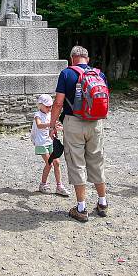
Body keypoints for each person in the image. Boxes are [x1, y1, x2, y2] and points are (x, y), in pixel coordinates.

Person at [48, 45, 108, 222]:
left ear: (72, 58)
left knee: (77, 163)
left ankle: (81, 208)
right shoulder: (99, 74)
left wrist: (52, 124)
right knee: (97, 160)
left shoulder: (66, 74)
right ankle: (102, 202)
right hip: (96, 123)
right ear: (87, 59)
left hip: (73, 122)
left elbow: (58, 103)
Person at [32, 94, 70, 196]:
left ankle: (59, 186)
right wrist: (51, 124)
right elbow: (39, 125)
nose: (49, 108)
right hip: (41, 143)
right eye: (47, 106)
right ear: (40, 105)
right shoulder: (37, 115)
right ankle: (43, 184)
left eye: (50, 106)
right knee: (49, 163)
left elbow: (54, 126)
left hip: (50, 141)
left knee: (56, 162)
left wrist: (58, 127)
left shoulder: (50, 114)